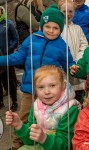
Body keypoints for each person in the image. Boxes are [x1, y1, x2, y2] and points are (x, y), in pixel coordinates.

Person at [0, 4, 75, 149]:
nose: (51, 31)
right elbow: (19, 57)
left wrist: (75, 68)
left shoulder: (62, 45)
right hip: (30, 90)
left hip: (50, 93)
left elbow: (70, 64)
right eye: (48, 26)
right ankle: (17, 145)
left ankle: (48, 142)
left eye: (56, 28)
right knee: (23, 119)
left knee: (48, 121)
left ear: (60, 29)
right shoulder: (31, 39)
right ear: (42, 25)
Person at [6, 65, 79, 150]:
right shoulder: (36, 106)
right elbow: (30, 141)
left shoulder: (71, 109)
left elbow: (66, 145)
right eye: (41, 87)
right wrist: (19, 125)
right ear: (35, 90)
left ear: (63, 85)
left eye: (52, 85)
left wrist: (44, 138)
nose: (47, 92)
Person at [58, 0, 88, 103]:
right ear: (59, 11)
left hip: (76, 66)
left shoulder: (78, 28)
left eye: (70, 11)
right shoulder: (57, 28)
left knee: (78, 98)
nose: (67, 14)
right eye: (64, 11)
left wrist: (78, 59)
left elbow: (84, 45)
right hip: (62, 68)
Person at [0, 6, 18, 111]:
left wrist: (8, 50)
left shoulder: (8, 23)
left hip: (7, 57)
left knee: (10, 80)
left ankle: (14, 101)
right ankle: (1, 101)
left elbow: (15, 39)